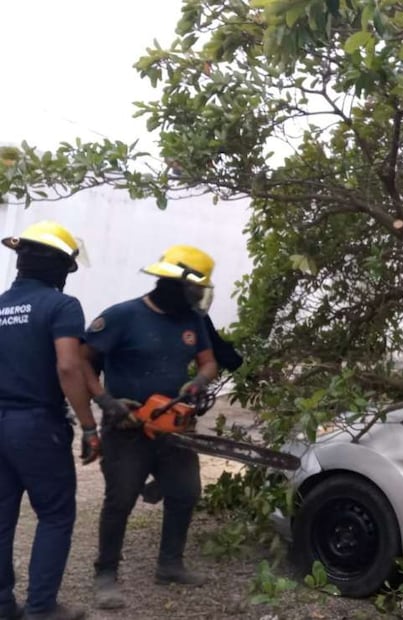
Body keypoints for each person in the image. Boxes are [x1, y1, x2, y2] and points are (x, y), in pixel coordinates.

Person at [83, 245, 218, 610]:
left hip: (173, 427)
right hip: (127, 428)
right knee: (120, 500)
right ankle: (105, 573)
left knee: (185, 492)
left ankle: (170, 564)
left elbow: (209, 362)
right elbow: (83, 362)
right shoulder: (122, 316)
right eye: (194, 290)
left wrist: (198, 382)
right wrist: (106, 402)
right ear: (175, 284)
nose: (197, 298)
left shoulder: (192, 321)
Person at [0, 221, 100, 620]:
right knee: (56, 514)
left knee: (2, 515)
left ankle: (3, 605)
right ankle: (41, 608)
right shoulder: (62, 306)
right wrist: (89, 425)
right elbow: (68, 368)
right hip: (37, 425)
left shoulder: (1, 305)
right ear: (59, 267)